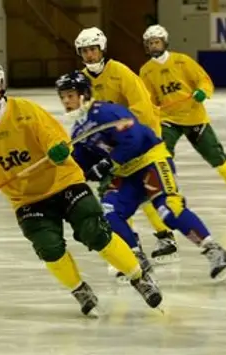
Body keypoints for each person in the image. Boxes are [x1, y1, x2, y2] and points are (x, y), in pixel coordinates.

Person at [0, 59, 162, 316]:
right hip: (27, 199)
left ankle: (138, 277)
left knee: (95, 231)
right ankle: (79, 289)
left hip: (65, 183)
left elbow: (56, 137)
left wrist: (58, 150)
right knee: (48, 247)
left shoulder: (26, 111)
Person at [56, 70, 226, 281]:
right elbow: (81, 165)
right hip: (126, 174)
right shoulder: (78, 131)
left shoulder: (106, 112)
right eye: (63, 97)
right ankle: (136, 258)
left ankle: (214, 250)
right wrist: (63, 162)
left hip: (151, 161)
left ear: (84, 94)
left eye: (70, 95)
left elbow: (133, 139)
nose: (66, 101)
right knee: (108, 212)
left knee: (168, 208)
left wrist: (107, 163)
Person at [74, 26, 178, 264]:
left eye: (93, 50)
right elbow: (82, 116)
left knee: (146, 189)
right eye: (85, 51)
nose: (89, 55)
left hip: (138, 140)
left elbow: (142, 107)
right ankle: (132, 245)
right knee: (114, 193)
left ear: (102, 49)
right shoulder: (82, 80)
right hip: (109, 147)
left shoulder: (120, 72)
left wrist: (132, 140)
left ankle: (165, 235)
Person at [139, 24, 226, 208]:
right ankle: (170, 193)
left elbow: (203, 80)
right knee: (162, 155)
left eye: (157, 42)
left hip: (194, 116)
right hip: (168, 120)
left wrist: (202, 92)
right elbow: (147, 97)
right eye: (150, 43)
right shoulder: (146, 71)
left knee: (216, 155)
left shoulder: (182, 61)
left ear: (164, 42)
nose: (154, 46)